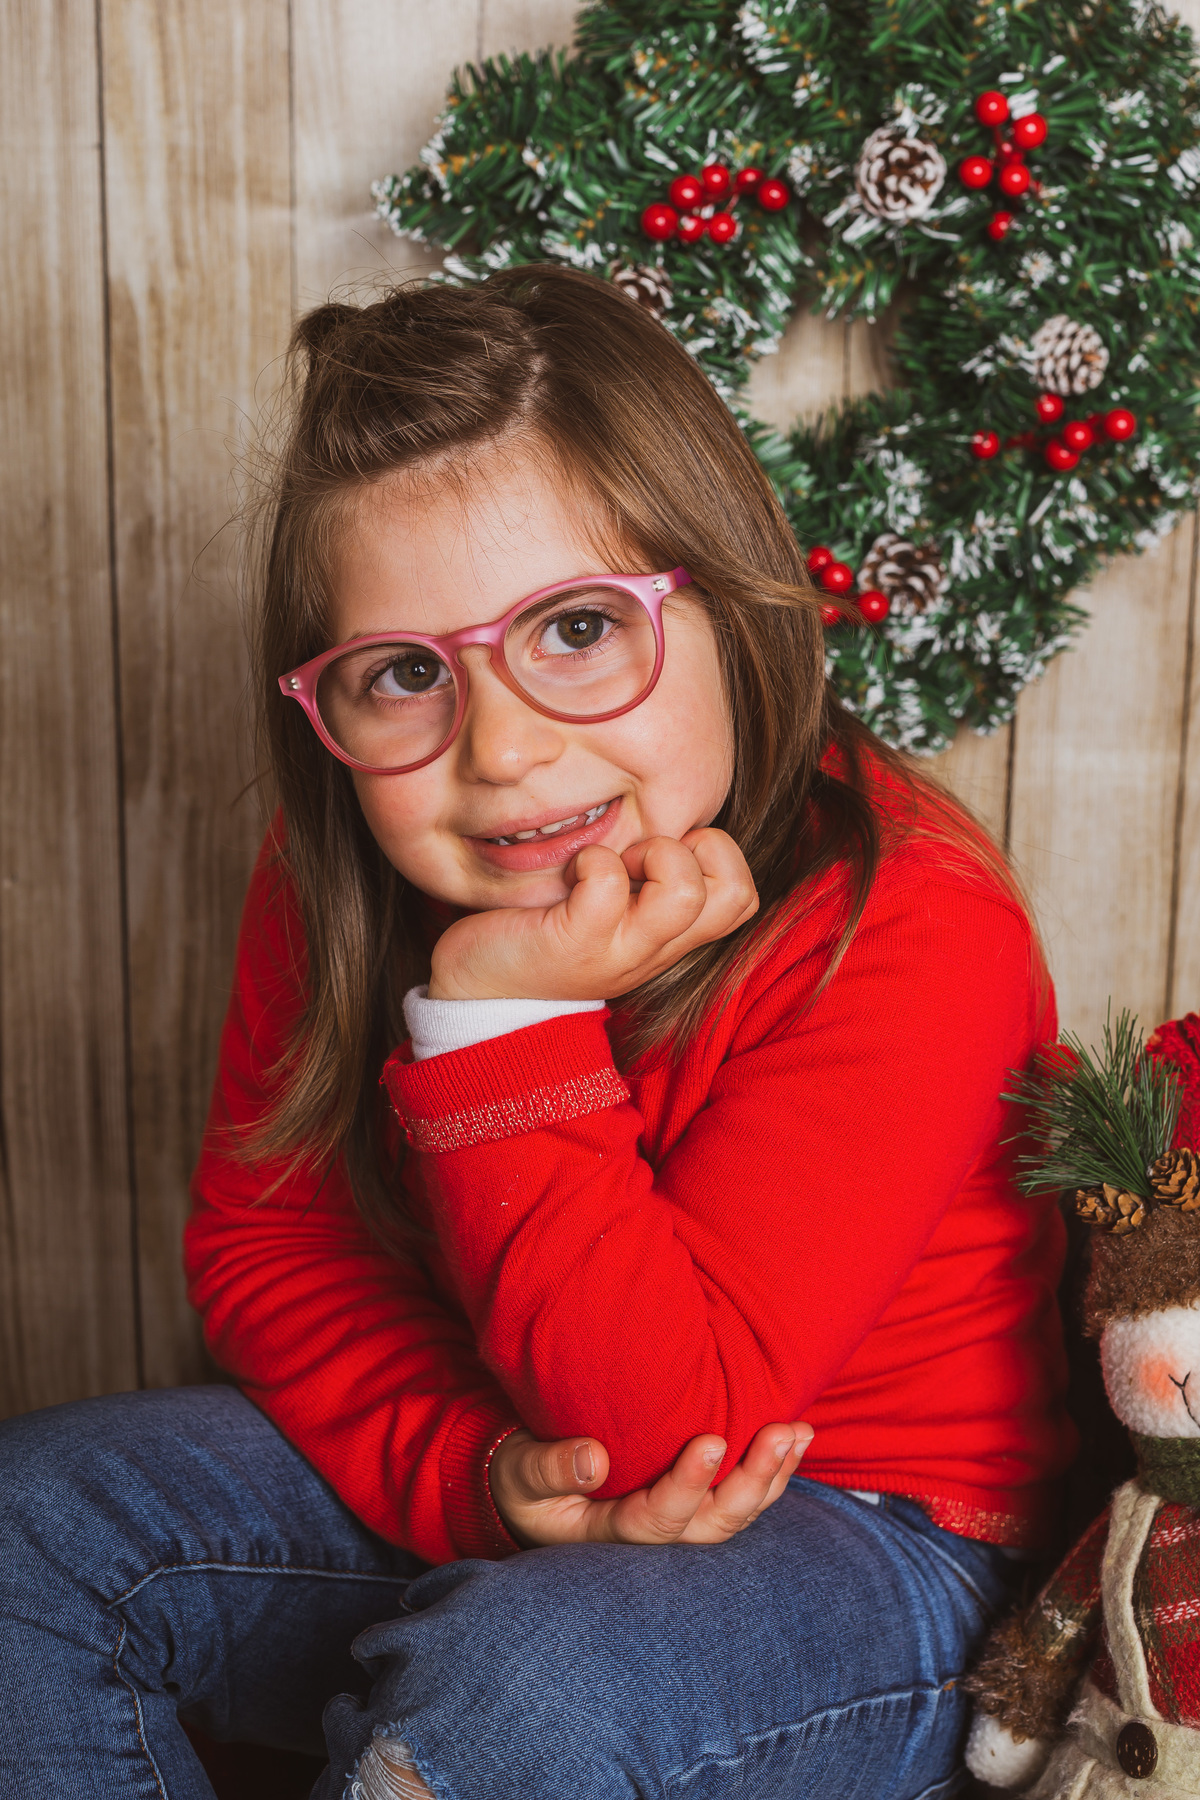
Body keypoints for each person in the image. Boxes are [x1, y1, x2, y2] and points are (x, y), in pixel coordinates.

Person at [0, 265, 1075, 1800]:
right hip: (519, 1455)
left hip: (875, 1540)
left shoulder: (905, 920)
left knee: (531, 1679)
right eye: (402, 675)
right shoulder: (342, 875)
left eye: (577, 629)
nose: (501, 751)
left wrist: (503, 1020)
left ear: (734, 598)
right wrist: (472, 1478)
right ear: (327, 708)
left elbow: (676, 1436)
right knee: (30, 1531)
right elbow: (264, 1245)